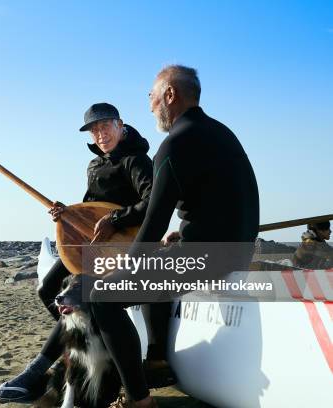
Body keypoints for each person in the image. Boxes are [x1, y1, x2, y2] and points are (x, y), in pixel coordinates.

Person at [90, 66, 260, 408]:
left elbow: (153, 219)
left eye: (152, 97)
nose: (150, 106)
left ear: (170, 95)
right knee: (153, 259)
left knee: (101, 295)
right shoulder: (220, 132)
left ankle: (139, 400)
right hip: (236, 250)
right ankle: (155, 355)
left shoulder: (174, 144)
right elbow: (229, 202)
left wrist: (126, 268)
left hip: (208, 257)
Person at [0, 103, 173, 403]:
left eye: (105, 126)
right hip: (90, 246)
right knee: (47, 288)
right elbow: (91, 209)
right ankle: (85, 340)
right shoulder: (95, 164)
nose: (100, 134)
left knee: (79, 299)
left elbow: (154, 202)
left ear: (120, 125)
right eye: (94, 130)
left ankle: (39, 369)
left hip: (121, 249)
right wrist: (66, 214)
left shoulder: (135, 159)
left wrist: (115, 219)